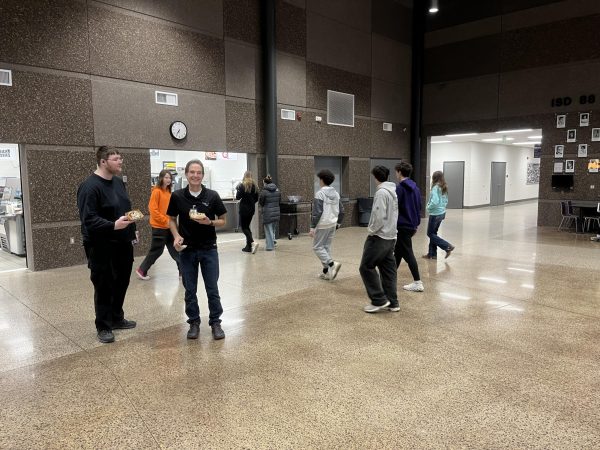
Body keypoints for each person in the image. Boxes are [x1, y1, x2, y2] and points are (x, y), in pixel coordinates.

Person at [77, 146, 137, 344]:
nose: (120, 162)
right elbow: (89, 219)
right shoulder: (90, 186)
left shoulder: (119, 183)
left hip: (123, 243)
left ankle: (116, 318)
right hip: (100, 245)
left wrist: (131, 229)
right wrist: (113, 225)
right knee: (104, 285)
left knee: (122, 282)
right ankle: (103, 325)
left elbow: (125, 209)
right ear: (103, 162)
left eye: (120, 158)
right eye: (116, 159)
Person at [167, 159, 227, 340]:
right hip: (187, 250)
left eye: (198, 172)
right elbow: (171, 219)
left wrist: (210, 222)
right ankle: (193, 322)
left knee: (212, 288)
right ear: (186, 174)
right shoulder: (177, 196)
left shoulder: (212, 196)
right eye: (192, 172)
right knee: (190, 289)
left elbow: (224, 220)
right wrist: (176, 236)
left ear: (203, 175)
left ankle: (215, 321)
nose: (195, 175)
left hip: (209, 248)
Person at [359, 166, 399, 313]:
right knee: (388, 270)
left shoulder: (381, 193)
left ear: (375, 177)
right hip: (391, 237)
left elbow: (378, 215)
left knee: (366, 267)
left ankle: (378, 299)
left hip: (379, 236)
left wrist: (371, 231)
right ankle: (393, 302)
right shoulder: (393, 192)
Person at [135, 170, 180, 280]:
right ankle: (142, 270)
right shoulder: (156, 191)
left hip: (169, 227)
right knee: (156, 251)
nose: (168, 180)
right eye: (166, 177)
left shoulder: (168, 192)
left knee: (175, 249)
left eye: (169, 178)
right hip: (159, 227)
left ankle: (183, 271)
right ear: (161, 178)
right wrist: (166, 221)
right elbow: (153, 210)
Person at [394, 162, 424, 292]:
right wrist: (416, 224)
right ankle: (389, 277)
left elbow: (395, 208)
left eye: (396, 172)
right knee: (398, 252)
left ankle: (418, 282)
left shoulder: (400, 189)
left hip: (402, 225)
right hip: (411, 225)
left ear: (400, 172)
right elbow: (419, 207)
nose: (396, 174)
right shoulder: (416, 189)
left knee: (407, 253)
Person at [309, 169, 344, 280]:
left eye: (319, 179)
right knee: (326, 247)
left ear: (322, 180)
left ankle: (332, 264)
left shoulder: (320, 193)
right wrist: (338, 222)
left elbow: (317, 212)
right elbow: (342, 210)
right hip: (333, 224)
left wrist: (312, 227)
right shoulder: (336, 193)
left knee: (317, 247)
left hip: (323, 224)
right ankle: (327, 272)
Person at [423, 170, 455, 260]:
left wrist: (428, 207)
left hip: (435, 214)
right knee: (434, 234)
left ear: (434, 178)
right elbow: (446, 201)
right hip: (441, 213)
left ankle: (447, 246)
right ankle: (432, 254)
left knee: (430, 234)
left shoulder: (435, 188)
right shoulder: (444, 187)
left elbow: (435, 201)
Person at [235, 171, 259, 254]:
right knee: (247, 227)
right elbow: (256, 198)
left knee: (244, 227)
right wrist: (251, 203)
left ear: (244, 176)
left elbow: (238, 197)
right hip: (251, 209)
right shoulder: (255, 186)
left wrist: (237, 189)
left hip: (244, 209)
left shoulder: (242, 185)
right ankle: (248, 247)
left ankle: (252, 243)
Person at [259, 175, 280, 251]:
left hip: (268, 213)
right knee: (273, 229)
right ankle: (273, 241)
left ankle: (270, 246)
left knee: (268, 230)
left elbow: (261, 202)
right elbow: (279, 201)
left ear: (265, 183)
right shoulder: (277, 190)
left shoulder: (264, 192)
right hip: (276, 212)